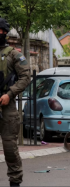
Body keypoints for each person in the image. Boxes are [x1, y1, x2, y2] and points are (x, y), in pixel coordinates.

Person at [0, 18, 31, 186]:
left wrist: (10, 94)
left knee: (10, 148)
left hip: (7, 106)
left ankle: (15, 182)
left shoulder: (14, 54)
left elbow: (26, 77)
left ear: (4, 32)